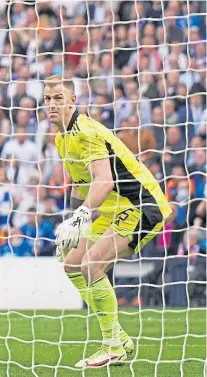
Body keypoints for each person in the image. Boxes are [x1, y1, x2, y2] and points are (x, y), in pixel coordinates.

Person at [45, 75, 172, 368]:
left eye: (58, 99)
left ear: (72, 101)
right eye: (47, 99)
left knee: (91, 264)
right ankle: (118, 339)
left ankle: (112, 346)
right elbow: (81, 185)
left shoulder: (86, 132)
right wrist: (74, 223)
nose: (52, 105)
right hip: (112, 210)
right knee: (72, 262)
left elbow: (103, 181)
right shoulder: (61, 138)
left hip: (141, 206)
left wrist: (82, 216)